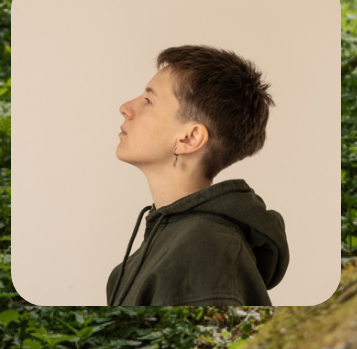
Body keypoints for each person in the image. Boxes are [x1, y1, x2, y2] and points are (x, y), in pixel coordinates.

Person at [108, 44, 289, 305]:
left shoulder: (207, 247)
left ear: (189, 138)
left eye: (148, 101)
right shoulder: (141, 260)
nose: (125, 108)